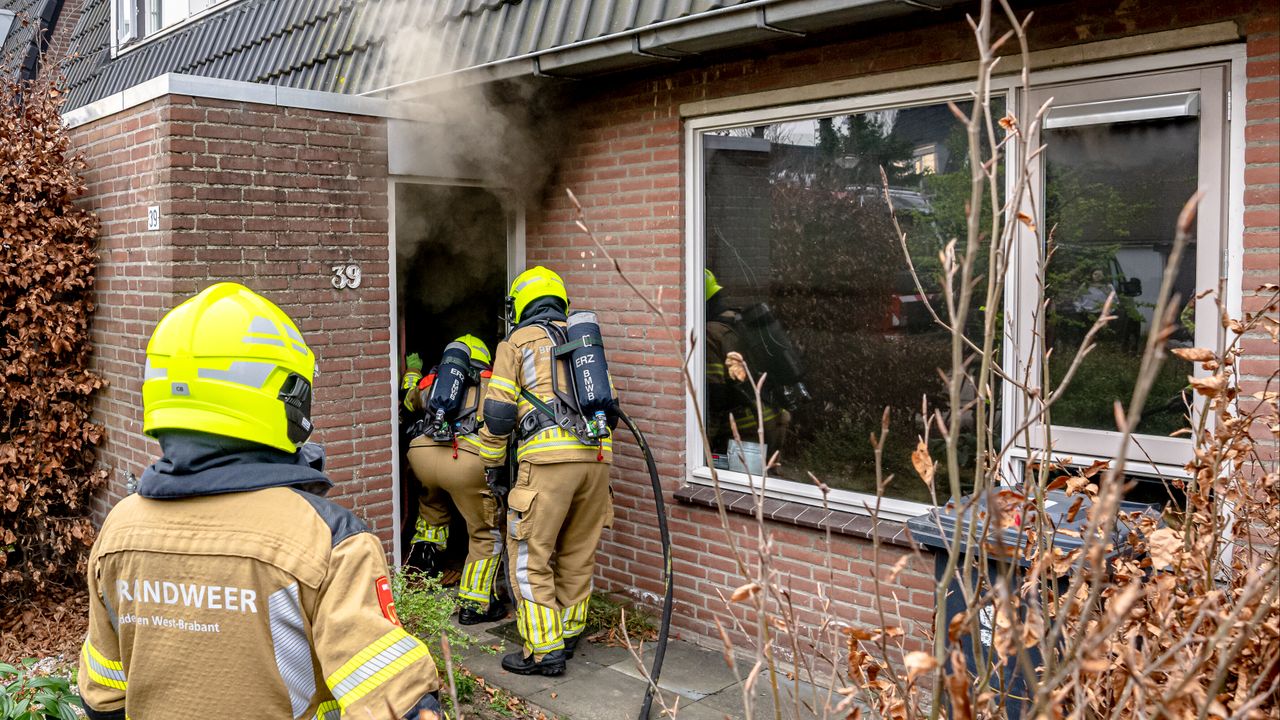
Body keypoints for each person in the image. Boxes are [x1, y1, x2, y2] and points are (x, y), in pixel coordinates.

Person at [78, 283, 443, 720]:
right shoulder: (329, 540)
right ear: (288, 397)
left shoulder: (118, 529)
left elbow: (103, 698)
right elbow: (398, 705)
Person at [479, 266, 614, 677]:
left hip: (547, 464)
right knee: (577, 553)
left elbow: (498, 413)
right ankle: (568, 634)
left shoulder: (516, 342)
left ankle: (544, 649)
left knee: (529, 557)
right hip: (597, 462)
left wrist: (492, 466)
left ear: (520, 304)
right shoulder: (584, 342)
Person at [403, 334, 508, 624]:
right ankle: (476, 605)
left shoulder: (434, 381)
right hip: (465, 459)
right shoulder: (494, 382)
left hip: (422, 455)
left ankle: (423, 573)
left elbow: (408, 402)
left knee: (432, 512)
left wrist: (413, 372)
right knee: (485, 532)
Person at [704, 268, 791, 459]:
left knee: (741, 478)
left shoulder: (711, 333)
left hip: (747, 428)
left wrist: (704, 444)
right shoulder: (736, 320)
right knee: (767, 476)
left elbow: (716, 395)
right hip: (775, 416)